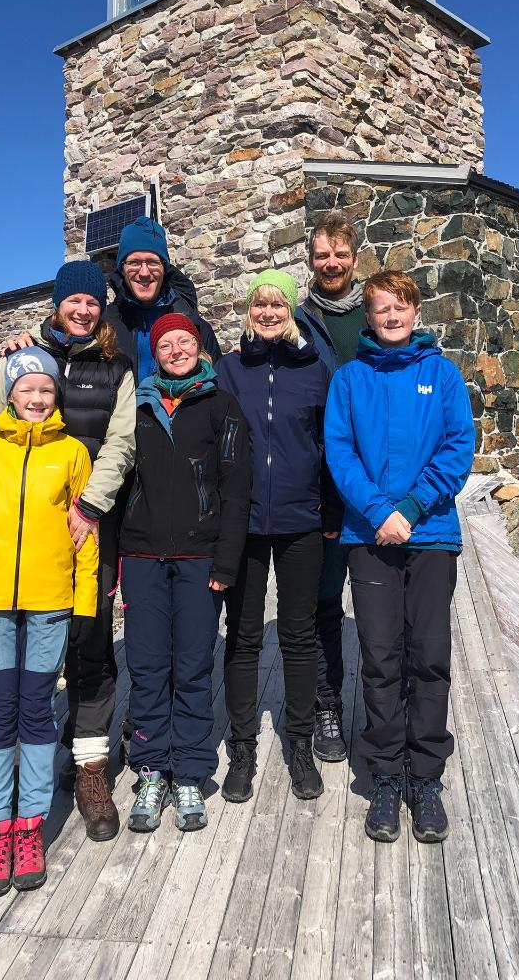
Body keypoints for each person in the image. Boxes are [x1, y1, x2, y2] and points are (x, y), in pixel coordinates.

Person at [0, 260, 135, 843]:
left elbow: (121, 442)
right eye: (74, 300)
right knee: (14, 669)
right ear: (57, 304)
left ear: (102, 308)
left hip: (86, 529)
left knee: (91, 647)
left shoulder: (116, 365)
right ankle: (5, 788)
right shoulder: (18, 359)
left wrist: (90, 506)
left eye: (93, 302)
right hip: (11, 543)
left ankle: (89, 768)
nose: (83, 310)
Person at [324, 270, 474, 845]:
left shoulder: (442, 375)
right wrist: (379, 511)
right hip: (370, 538)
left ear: (416, 313)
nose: (391, 317)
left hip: (430, 534)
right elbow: (340, 453)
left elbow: (458, 447)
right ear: (368, 316)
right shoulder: (350, 379)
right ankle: (386, 774)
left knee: (429, 657)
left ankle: (426, 777)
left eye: (401, 307)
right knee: (381, 657)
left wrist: (409, 508)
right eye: (381, 308)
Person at [0, 347, 99, 896]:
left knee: (36, 710)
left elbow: (86, 538)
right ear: (9, 395)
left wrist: (84, 605)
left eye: (45, 390)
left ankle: (30, 827)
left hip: (49, 604)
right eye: (26, 389)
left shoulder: (73, 452)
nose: (36, 398)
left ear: (56, 396)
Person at [119, 313, 251, 832]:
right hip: (142, 556)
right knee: (148, 666)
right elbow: (118, 480)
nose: (176, 350)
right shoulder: (137, 406)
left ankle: (191, 771)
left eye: (184, 341)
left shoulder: (222, 405)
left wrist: (226, 559)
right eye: (166, 344)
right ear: (154, 354)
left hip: (200, 559)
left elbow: (236, 488)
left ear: (199, 347)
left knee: (194, 666)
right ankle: (152, 769)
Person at [217, 269, 332, 804]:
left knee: (298, 635)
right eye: (259, 304)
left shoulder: (314, 371)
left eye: (278, 304)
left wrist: (330, 508)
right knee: (243, 638)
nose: (268, 312)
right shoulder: (229, 369)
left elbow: (329, 444)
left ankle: (300, 744)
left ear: (291, 312)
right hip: (241, 522)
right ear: (248, 311)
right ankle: (242, 748)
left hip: (300, 518)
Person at [295, 211, 365, 764]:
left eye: (340, 254)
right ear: (311, 260)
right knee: (323, 601)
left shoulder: (379, 314)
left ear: (355, 259)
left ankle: (389, 710)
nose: (331, 263)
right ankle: (327, 705)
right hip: (322, 482)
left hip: (377, 482)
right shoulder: (297, 321)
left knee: (383, 601)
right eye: (322, 255)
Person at [105, 216, 221, 382]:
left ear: (164, 268)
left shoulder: (196, 327)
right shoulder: (105, 327)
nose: (144, 272)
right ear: (122, 269)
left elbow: (218, 388)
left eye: (152, 262)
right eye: (134, 262)